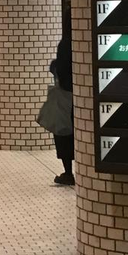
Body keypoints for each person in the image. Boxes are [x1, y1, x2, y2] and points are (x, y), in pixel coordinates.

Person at [49, 35, 74, 186]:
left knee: (64, 137)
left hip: (64, 104)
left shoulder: (57, 64)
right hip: (80, 104)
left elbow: (56, 69)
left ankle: (68, 172)